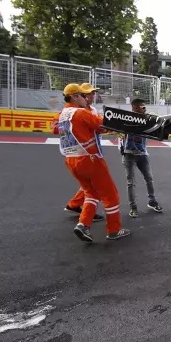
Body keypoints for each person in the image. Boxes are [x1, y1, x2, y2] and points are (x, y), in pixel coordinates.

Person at [56, 83, 130, 242]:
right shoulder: (81, 113)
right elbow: (102, 126)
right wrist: (120, 125)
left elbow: (55, 129)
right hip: (90, 159)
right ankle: (114, 230)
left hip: (71, 161)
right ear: (75, 97)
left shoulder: (63, 114)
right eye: (83, 95)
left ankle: (83, 225)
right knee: (111, 195)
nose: (86, 98)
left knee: (91, 193)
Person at [52, 83, 104, 222]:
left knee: (89, 185)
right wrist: (74, 126)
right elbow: (54, 127)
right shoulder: (70, 111)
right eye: (88, 94)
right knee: (95, 185)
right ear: (80, 96)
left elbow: (99, 126)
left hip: (94, 149)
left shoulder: (92, 109)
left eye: (93, 93)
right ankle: (86, 217)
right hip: (80, 153)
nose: (92, 96)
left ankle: (74, 205)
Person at [118, 98, 163, 218]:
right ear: (135, 108)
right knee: (131, 182)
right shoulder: (125, 120)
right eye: (142, 107)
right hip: (129, 154)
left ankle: (152, 201)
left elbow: (157, 121)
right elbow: (120, 134)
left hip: (143, 153)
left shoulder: (146, 119)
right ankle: (133, 207)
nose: (145, 109)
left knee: (149, 178)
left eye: (145, 107)